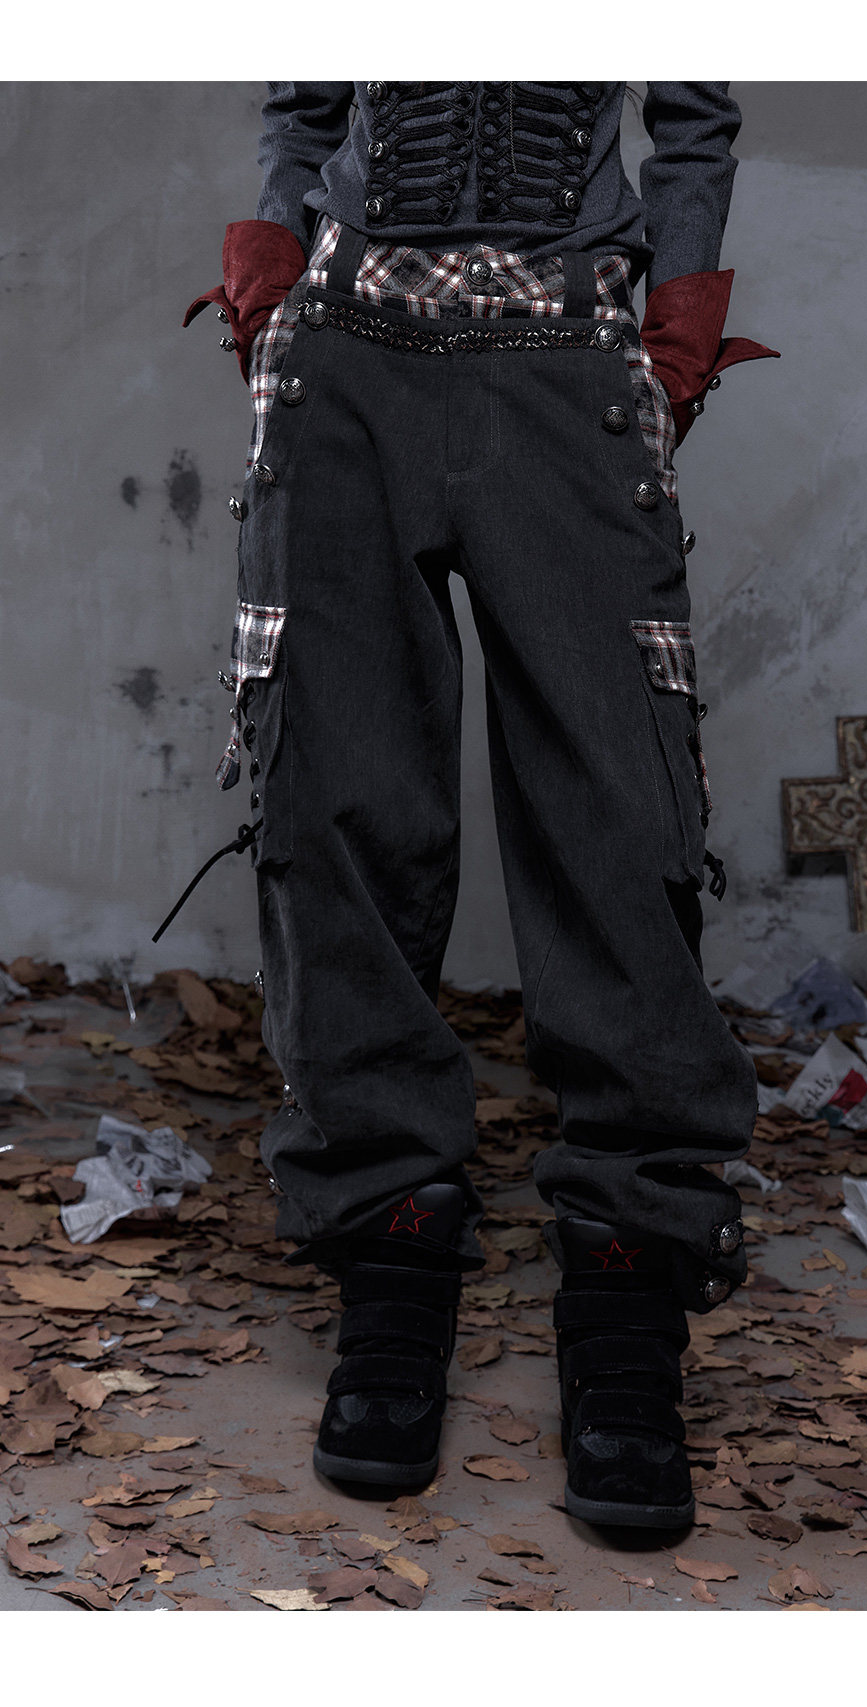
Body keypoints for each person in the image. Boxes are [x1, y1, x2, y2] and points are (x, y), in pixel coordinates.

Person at [179, 80, 778, 1530]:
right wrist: (272, 292)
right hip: (346, 358)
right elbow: (304, 102)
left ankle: (629, 1260)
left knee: (618, 813)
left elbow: (696, 113)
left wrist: (671, 330)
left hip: (572, 356)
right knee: (338, 801)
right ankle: (390, 1229)